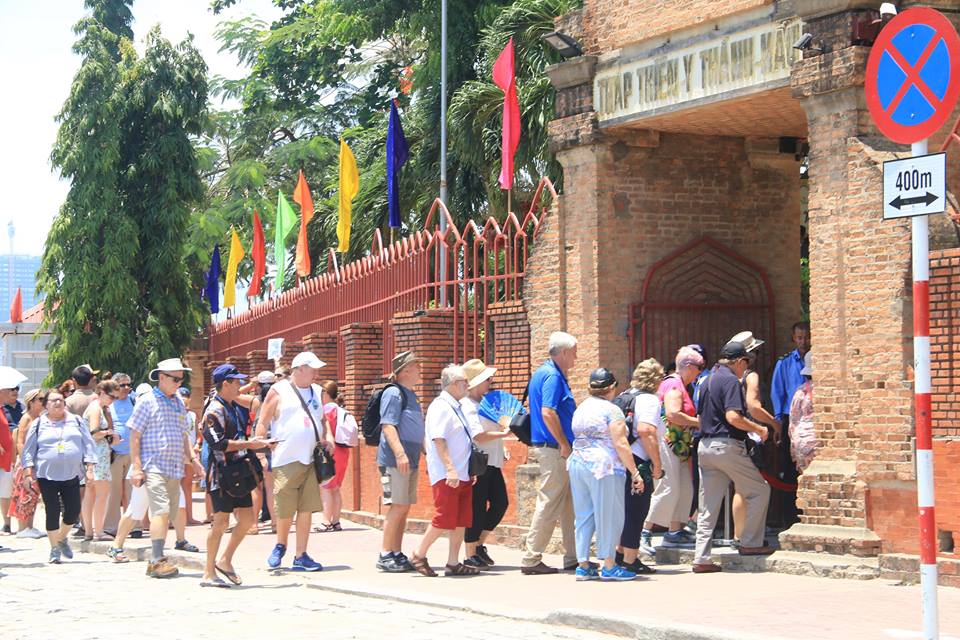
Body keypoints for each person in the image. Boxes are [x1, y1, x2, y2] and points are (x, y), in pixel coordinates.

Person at [692, 341, 774, 573]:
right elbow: (733, 417)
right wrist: (758, 429)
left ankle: (701, 558)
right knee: (760, 489)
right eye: (745, 363)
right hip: (726, 445)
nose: (744, 369)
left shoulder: (707, 380)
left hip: (705, 446)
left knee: (707, 506)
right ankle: (750, 542)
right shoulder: (729, 380)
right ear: (739, 361)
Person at [255, 351, 332, 572]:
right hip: (286, 458)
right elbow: (263, 421)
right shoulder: (278, 391)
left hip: (311, 459)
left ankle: (301, 554)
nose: (316, 373)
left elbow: (323, 421)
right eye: (312, 368)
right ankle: (281, 545)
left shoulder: (318, 392)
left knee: (306, 508)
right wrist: (261, 448)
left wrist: (328, 439)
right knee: (285, 508)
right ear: (299, 369)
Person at [129, 358, 205, 579]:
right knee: (160, 512)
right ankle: (156, 560)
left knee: (171, 512)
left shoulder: (178, 402)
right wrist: (137, 467)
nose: (179, 383)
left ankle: (157, 559)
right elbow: (135, 434)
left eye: (181, 379)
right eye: (175, 378)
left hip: (174, 466)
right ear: (161, 377)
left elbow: (183, 435)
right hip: (154, 465)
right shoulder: (147, 402)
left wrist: (193, 459)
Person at [567, 368, 645, 581]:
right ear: (611, 387)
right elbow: (620, 443)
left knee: (583, 515)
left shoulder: (582, 407)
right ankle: (609, 564)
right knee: (609, 514)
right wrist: (635, 472)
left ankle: (583, 564)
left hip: (578, 462)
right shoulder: (612, 410)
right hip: (605, 466)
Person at [200, 364, 273, 587]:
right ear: (226, 384)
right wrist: (250, 443)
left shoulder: (232, 406)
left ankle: (225, 560)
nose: (240, 385)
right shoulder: (214, 411)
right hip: (221, 474)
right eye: (236, 382)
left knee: (248, 519)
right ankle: (208, 572)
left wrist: (258, 446)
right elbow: (218, 444)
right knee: (220, 522)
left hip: (238, 472)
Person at [409, 365, 482, 577]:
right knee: (444, 517)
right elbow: (438, 440)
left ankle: (453, 562)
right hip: (447, 473)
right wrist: (450, 468)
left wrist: (468, 468)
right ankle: (418, 553)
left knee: (461, 519)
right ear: (451, 384)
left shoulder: (456, 406)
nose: (467, 385)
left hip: (462, 472)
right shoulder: (441, 406)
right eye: (463, 381)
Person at [521, 331, 578, 575]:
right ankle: (531, 558)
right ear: (563, 353)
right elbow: (548, 412)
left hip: (551, 448)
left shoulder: (544, 373)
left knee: (568, 505)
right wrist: (565, 444)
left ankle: (573, 556)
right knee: (550, 501)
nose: (575, 359)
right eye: (574, 354)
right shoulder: (553, 376)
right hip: (554, 450)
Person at [20, 390, 97, 563]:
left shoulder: (76, 421)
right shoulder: (39, 423)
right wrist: (27, 472)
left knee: (73, 511)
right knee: (52, 511)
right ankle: (54, 548)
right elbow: (28, 450)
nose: (58, 403)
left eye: (61, 400)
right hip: (46, 475)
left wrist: (90, 467)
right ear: (46, 404)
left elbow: (88, 445)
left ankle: (61, 538)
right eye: (53, 400)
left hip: (72, 474)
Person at [642, 346, 703, 551]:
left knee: (685, 488)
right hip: (669, 443)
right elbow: (673, 414)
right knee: (668, 488)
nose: (700, 371)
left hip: (680, 445)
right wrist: (697, 422)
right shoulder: (675, 386)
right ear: (687, 366)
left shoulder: (680, 385)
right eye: (698, 367)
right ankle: (644, 532)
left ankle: (674, 532)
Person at [459, 359, 512, 570]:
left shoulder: (484, 403)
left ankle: (479, 544)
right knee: (477, 508)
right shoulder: (468, 406)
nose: (490, 382)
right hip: (478, 462)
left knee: (501, 503)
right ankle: (470, 552)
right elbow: (478, 435)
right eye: (486, 379)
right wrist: (502, 433)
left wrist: (502, 443)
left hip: (493, 460)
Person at [376, 351, 424, 573]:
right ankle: (385, 553)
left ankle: (396, 552)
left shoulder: (411, 394)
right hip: (396, 460)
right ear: (404, 370)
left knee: (404, 507)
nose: (419, 370)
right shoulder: (394, 394)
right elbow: (388, 426)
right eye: (416, 366)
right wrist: (400, 453)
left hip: (410, 459)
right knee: (397, 505)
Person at [730, 331, 780, 544]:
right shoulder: (750, 376)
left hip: (733, 434)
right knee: (753, 487)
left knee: (740, 487)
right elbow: (753, 406)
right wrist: (773, 423)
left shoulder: (725, 375)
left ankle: (738, 533)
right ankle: (748, 535)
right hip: (750, 434)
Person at [617, 359, 664, 574]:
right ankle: (630, 558)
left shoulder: (623, 396)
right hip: (638, 460)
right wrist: (656, 463)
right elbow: (646, 431)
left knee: (624, 509)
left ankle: (619, 552)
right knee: (637, 509)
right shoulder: (649, 400)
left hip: (619, 459)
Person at [80, 380, 120, 541]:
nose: (113, 400)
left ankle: (90, 531)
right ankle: (99, 531)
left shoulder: (97, 407)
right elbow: (94, 432)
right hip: (97, 457)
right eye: (112, 396)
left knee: (91, 494)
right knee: (102, 495)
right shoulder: (96, 408)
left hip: (93, 456)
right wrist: (110, 433)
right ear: (102, 392)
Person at [771, 322, 812, 468]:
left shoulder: (817, 359)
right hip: (790, 418)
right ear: (794, 338)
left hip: (812, 416)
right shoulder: (784, 363)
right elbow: (777, 393)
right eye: (799, 337)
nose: (803, 341)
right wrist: (778, 421)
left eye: (807, 337)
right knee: (789, 462)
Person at [9, 388, 45, 538]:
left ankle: (30, 526)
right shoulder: (27, 418)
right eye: (41, 399)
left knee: (34, 493)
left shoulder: (39, 417)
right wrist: (25, 463)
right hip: (26, 461)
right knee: (24, 492)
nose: (44, 402)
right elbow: (20, 442)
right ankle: (22, 527)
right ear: (31, 402)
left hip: (36, 460)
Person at [316, 380, 350, 533]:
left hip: (330, 451)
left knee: (326, 487)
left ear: (326, 394)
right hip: (343, 451)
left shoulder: (326, 410)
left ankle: (325, 521)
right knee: (336, 488)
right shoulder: (340, 409)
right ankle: (336, 521)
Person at [105, 373, 134, 534]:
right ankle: (111, 527)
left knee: (132, 491)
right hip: (115, 454)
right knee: (114, 492)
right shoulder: (108, 405)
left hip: (132, 453)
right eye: (122, 385)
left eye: (128, 384)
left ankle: (133, 527)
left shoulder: (134, 400)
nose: (126, 388)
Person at [789, 351, 818, 473]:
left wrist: (793, 451)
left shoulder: (800, 392)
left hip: (802, 441)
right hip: (819, 440)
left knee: (806, 480)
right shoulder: (829, 391)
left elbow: (793, 422)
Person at [177, 386, 202, 526]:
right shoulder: (174, 414)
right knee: (174, 484)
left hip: (190, 452)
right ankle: (174, 518)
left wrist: (198, 444)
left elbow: (199, 435)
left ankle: (189, 517)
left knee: (187, 485)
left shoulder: (192, 415)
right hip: (176, 452)